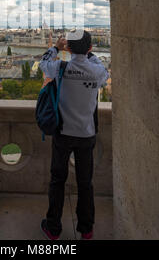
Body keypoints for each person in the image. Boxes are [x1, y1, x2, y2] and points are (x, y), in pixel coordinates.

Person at [39, 29, 109, 240]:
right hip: (86, 133)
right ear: (89, 48)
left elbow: (44, 63)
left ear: (68, 48)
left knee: (57, 180)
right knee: (85, 183)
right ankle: (86, 228)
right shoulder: (96, 72)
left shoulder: (60, 68)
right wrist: (88, 53)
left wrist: (56, 48)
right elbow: (102, 72)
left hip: (63, 132)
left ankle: (53, 228)